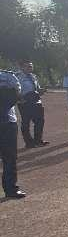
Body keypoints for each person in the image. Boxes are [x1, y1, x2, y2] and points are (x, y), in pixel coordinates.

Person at [1, 70, 25, 199]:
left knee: (9, 157)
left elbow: (17, 95)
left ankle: (10, 189)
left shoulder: (8, 76)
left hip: (7, 122)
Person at [15, 60, 48, 148]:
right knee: (26, 122)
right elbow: (14, 90)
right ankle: (29, 142)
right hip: (25, 102)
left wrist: (41, 90)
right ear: (22, 67)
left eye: (31, 66)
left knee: (40, 121)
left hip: (36, 101)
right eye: (28, 66)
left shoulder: (33, 76)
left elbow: (37, 88)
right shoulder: (17, 77)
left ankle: (38, 140)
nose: (30, 68)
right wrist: (19, 99)